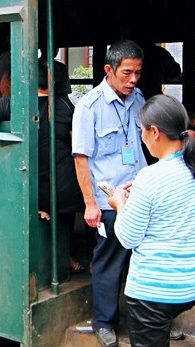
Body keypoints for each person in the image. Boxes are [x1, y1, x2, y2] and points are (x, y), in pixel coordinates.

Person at [107, 95, 195, 347]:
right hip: (194, 284)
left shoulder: (151, 177)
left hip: (154, 291)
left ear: (154, 132)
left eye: (142, 131)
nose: (142, 137)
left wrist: (120, 203)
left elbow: (127, 238)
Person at [0, 61, 85, 272]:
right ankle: (66, 256)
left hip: (32, 189)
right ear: (52, 81)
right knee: (64, 205)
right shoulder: (65, 105)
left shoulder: (14, 103)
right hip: (66, 191)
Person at [71, 39, 147, 347]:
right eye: (127, 72)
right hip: (110, 200)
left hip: (141, 195)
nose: (133, 79)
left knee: (144, 259)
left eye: (138, 73)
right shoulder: (89, 107)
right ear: (108, 70)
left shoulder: (139, 98)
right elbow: (81, 158)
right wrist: (91, 204)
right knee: (109, 262)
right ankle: (104, 322)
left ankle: (149, 323)